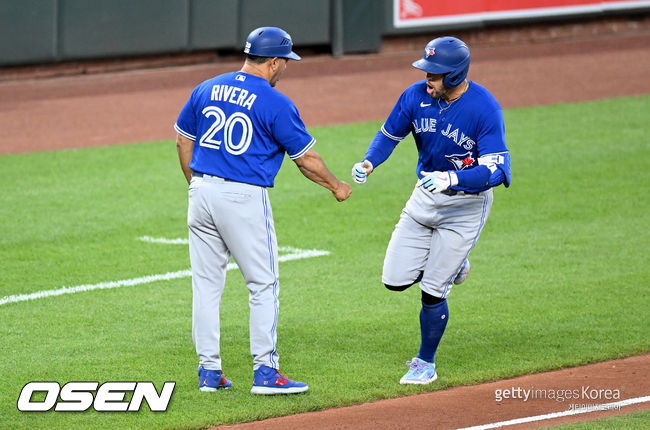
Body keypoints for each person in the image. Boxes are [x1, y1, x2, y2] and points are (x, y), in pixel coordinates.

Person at [175, 26, 352, 395]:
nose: (286, 67)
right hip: (242, 198)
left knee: (206, 287)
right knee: (263, 284)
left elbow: (183, 139)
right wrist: (336, 186)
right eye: (285, 61)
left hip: (201, 192)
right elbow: (306, 160)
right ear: (272, 61)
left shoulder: (207, 87)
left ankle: (209, 373)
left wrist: (195, 184)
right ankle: (266, 373)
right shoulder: (275, 102)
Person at [352, 36, 510, 384]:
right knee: (393, 280)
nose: (428, 79)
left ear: (455, 75)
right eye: (427, 71)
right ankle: (454, 262)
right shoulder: (414, 96)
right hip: (424, 198)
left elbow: (497, 170)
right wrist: (368, 162)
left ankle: (426, 363)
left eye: (436, 74)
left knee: (432, 291)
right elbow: (389, 135)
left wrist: (452, 178)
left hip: (466, 206)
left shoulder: (484, 108)